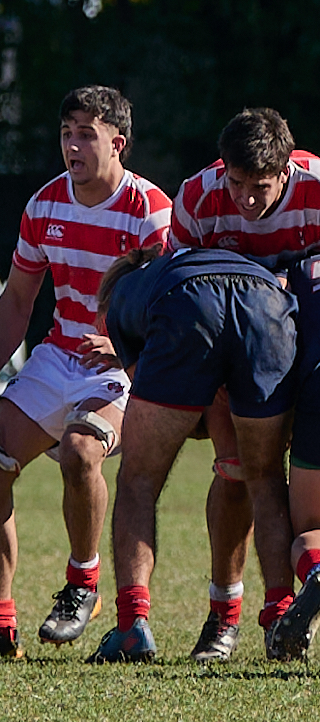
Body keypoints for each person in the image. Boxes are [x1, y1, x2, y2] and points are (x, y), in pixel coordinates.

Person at [0, 86, 172, 659]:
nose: (72, 145)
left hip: (124, 366)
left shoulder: (151, 210)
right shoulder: (44, 205)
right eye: (66, 132)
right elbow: (20, 296)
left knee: (80, 452)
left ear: (118, 143)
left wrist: (123, 347)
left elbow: (171, 303)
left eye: (85, 134)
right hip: (59, 354)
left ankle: (83, 583)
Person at [88, 246, 297, 663]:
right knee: (263, 477)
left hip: (188, 302)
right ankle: (281, 618)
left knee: (139, 478)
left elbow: (160, 411)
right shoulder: (190, 259)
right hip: (265, 298)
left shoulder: (124, 301)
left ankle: (133, 627)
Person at [168, 107, 320, 662]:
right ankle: (222, 620)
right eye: (236, 183)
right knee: (236, 478)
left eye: (260, 187)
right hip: (233, 360)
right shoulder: (198, 197)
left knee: (294, 499)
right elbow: (180, 297)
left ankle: (280, 614)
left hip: (308, 357)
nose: (247, 201)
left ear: (287, 171)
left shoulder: (318, 186)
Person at [267, 253, 320, 661]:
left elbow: (280, 339)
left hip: (316, 387)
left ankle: (317, 571)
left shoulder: (300, 267)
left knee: (309, 530)